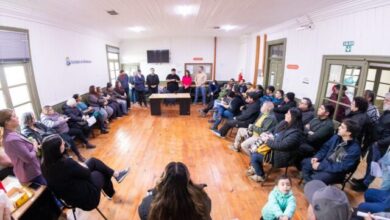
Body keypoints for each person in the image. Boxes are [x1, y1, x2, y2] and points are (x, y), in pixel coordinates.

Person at [41, 134, 129, 211]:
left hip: (70, 198)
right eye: (62, 143)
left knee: (93, 161)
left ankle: (116, 175)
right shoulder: (66, 163)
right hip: (87, 199)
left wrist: (74, 164)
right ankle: (111, 190)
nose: (64, 142)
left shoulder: (44, 165)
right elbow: (86, 173)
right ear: (57, 150)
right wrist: (76, 162)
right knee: (101, 172)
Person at [138, 162, 211, 220]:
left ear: (163, 180)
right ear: (187, 181)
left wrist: (152, 193)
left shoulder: (146, 206)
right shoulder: (203, 202)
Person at [247, 108, 302, 182]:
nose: (285, 114)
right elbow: (273, 130)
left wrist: (267, 141)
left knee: (255, 156)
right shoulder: (284, 123)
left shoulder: (296, 133)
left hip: (281, 155)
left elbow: (282, 146)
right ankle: (255, 167)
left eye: (288, 114)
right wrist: (266, 133)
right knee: (252, 148)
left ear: (293, 117)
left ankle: (260, 175)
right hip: (273, 146)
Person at [301, 119, 361, 185]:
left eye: (342, 127)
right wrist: (317, 157)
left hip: (336, 172)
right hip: (324, 162)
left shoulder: (354, 149)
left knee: (318, 178)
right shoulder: (336, 137)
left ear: (349, 133)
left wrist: (321, 166)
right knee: (305, 163)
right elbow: (324, 149)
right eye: (340, 126)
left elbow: (342, 166)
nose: (339, 128)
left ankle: (311, 184)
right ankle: (309, 183)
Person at [351, 92, 390, 192]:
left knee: (374, 165)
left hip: (380, 145)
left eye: (387, 100)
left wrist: (379, 143)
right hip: (374, 142)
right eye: (385, 100)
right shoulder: (386, 112)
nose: (384, 102)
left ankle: (365, 185)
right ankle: (364, 180)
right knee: (370, 163)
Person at [0, 109, 46, 185]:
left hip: (33, 170)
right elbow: (28, 158)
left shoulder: (12, 133)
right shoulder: (11, 139)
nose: (18, 117)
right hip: (31, 174)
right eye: (14, 116)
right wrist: (34, 146)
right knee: (47, 195)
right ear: (7, 122)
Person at [21, 112, 86, 162]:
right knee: (59, 142)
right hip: (45, 145)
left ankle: (78, 155)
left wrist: (46, 134)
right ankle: (66, 158)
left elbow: (50, 129)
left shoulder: (37, 123)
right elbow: (38, 140)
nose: (34, 118)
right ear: (28, 120)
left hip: (52, 137)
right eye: (33, 117)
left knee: (66, 139)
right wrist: (47, 134)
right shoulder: (26, 131)